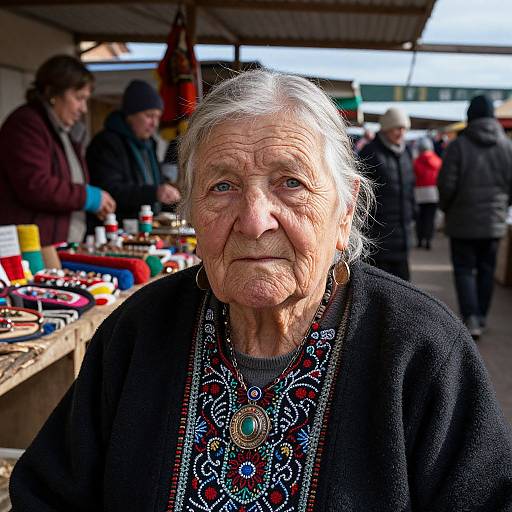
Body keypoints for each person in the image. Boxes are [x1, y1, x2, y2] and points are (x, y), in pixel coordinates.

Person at [10, 71, 512, 511]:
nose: (253, 221)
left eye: (290, 182)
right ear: (190, 213)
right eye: (222, 186)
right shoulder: (139, 330)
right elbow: (48, 496)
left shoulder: (422, 349)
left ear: (344, 210)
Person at [0, 55, 116, 245]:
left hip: (57, 242)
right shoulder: (26, 124)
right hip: (32, 246)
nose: (84, 109)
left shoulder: (63, 130)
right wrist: (88, 196)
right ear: (53, 92)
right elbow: (36, 185)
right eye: (79, 98)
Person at [438, 95, 512, 339]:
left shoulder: (459, 145)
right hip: (494, 222)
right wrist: (501, 208)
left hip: (463, 221)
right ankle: (481, 315)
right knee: (486, 270)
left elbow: (446, 184)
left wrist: (448, 208)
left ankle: (470, 318)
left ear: (470, 116)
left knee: (464, 270)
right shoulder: (506, 146)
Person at [87, 79, 181, 227]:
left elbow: (156, 183)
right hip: (116, 228)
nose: (154, 123)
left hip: (148, 225)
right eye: (149, 116)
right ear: (130, 115)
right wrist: (155, 192)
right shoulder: (106, 143)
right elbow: (111, 189)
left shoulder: (150, 144)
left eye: (157, 117)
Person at [359, 107, 415, 280]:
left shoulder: (405, 152)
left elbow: (410, 187)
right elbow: (362, 194)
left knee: (405, 289)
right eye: (397, 128)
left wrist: (413, 213)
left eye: (404, 128)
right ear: (386, 128)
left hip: (402, 235)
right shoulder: (370, 152)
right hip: (379, 237)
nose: (401, 133)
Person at [413, 136, 442, 249]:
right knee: (430, 218)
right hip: (433, 193)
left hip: (419, 192)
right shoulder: (438, 161)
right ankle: (428, 241)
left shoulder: (416, 161)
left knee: (420, 219)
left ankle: (420, 241)